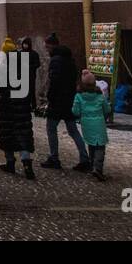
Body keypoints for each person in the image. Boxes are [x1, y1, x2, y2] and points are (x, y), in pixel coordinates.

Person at [41, 35, 90, 172]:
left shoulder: (55, 61)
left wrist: (50, 97)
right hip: (69, 99)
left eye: (47, 47)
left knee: (51, 128)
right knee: (73, 130)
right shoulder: (70, 60)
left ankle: (54, 158)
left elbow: (54, 81)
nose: (46, 50)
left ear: (52, 46)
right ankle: (84, 159)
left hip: (57, 101)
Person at [0, 38, 36, 179]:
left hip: (6, 105)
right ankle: (26, 164)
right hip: (22, 104)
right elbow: (30, 84)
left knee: (8, 134)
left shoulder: (3, 66)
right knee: (23, 133)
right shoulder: (25, 65)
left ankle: (10, 162)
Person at [73, 70, 113, 180]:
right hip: (99, 124)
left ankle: (92, 166)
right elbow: (107, 109)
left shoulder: (79, 96)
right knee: (100, 147)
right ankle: (98, 169)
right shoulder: (100, 96)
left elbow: (75, 111)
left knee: (91, 145)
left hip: (86, 124)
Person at [18, 36, 42, 113]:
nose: (25, 45)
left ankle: (33, 106)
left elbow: (37, 64)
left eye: (26, 44)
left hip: (31, 76)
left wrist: (29, 67)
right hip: (22, 75)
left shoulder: (34, 54)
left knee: (31, 91)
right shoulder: (20, 53)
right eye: (23, 44)